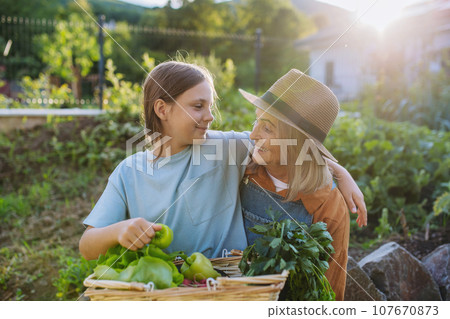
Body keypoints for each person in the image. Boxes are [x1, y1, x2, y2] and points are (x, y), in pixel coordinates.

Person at [79, 61, 365, 263]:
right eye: (197, 106)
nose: (210, 116)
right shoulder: (128, 173)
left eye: (210, 106)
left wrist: (340, 173)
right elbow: (87, 246)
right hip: (165, 292)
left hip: (230, 290)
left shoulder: (224, 147)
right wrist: (118, 231)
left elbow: (291, 143)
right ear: (162, 109)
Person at [238, 69, 352, 300]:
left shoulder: (327, 205)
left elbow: (329, 293)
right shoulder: (244, 170)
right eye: (256, 121)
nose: (252, 134)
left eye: (267, 128)